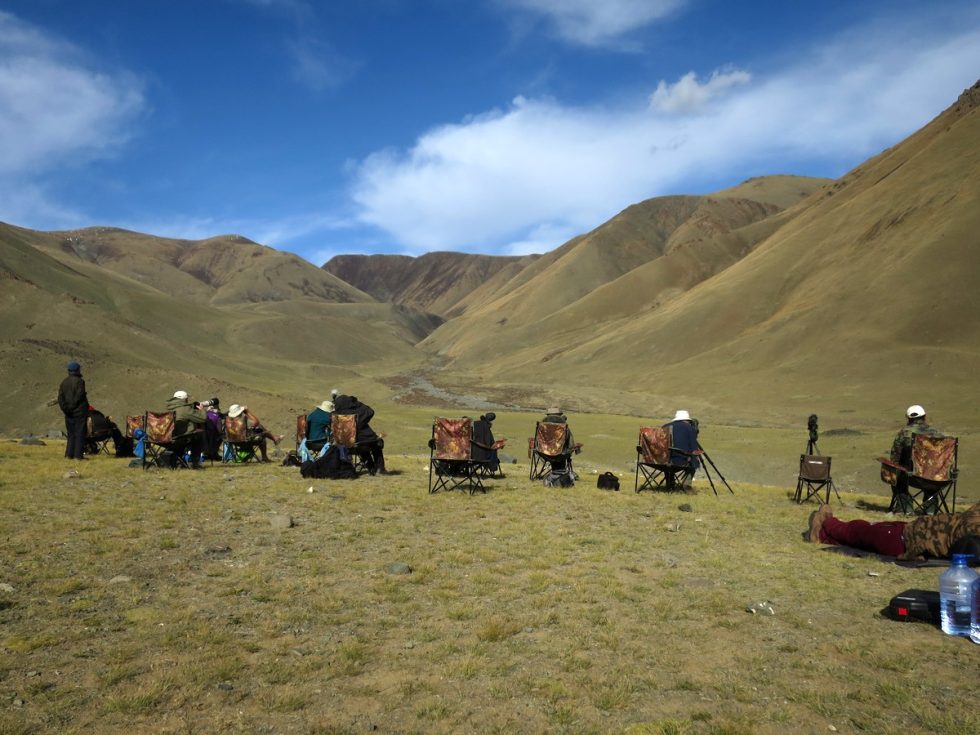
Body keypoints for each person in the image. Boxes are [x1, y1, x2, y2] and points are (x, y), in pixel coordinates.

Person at [805, 502, 980, 561]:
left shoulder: (973, 529)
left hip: (904, 541)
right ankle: (822, 533)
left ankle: (826, 523)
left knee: (857, 530)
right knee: (864, 532)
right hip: (907, 530)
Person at [886, 404, 943, 512]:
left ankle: (905, 506)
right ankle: (930, 508)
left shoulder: (904, 433)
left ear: (908, 418)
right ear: (925, 417)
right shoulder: (937, 434)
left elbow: (895, 458)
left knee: (892, 470)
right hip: (937, 477)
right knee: (931, 472)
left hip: (912, 476)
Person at [333, 394, 388, 475]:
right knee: (377, 443)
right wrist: (356, 403)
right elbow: (370, 411)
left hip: (343, 446)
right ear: (349, 403)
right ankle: (380, 469)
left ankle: (371, 467)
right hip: (360, 445)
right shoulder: (357, 414)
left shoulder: (334, 416)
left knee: (363, 444)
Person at [165, 390, 207, 468]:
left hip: (166, 439)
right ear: (185, 399)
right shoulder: (185, 409)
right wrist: (201, 409)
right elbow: (202, 419)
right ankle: (194, 462)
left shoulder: (169, 409)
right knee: (199, 436)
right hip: (180, 439)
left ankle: (178, 460)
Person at [57, 361, 88, 460]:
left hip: (68, 413)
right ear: (77, 370)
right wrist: (73, 406)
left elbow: (60, 398)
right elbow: (80, 395)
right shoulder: (80, 381)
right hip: (79, 412)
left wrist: (65, 409)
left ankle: (68, 455)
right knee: (79, 433)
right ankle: (78, 456)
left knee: (71, 434)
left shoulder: (64, 382)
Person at [663, 409, 700, 490]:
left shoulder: (665, 426)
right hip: (680, 461)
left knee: (668, 457)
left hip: (661, 461)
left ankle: (670, 483)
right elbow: (694, 448)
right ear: (687, 420)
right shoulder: (690, 428)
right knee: (694, 460)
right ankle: (686, 485)